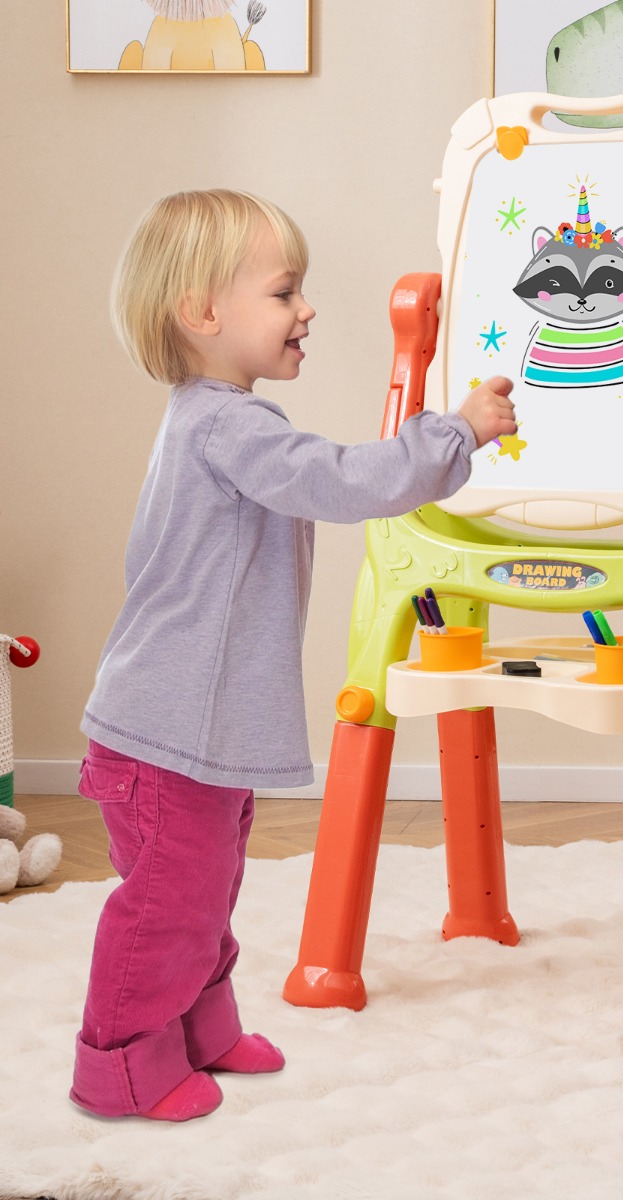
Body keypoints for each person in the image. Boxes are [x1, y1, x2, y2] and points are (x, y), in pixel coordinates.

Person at [71, 189, 517, 1122]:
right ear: (203, 313)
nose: (306, 309)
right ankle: (116, 1065)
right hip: (165, 733)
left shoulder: (211, 421)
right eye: (285, 293)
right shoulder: (228, 427)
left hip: (194, 727)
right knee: (168, 905)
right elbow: (344, 481)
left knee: (207, 887)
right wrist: (456, 432)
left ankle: (198, 1027)